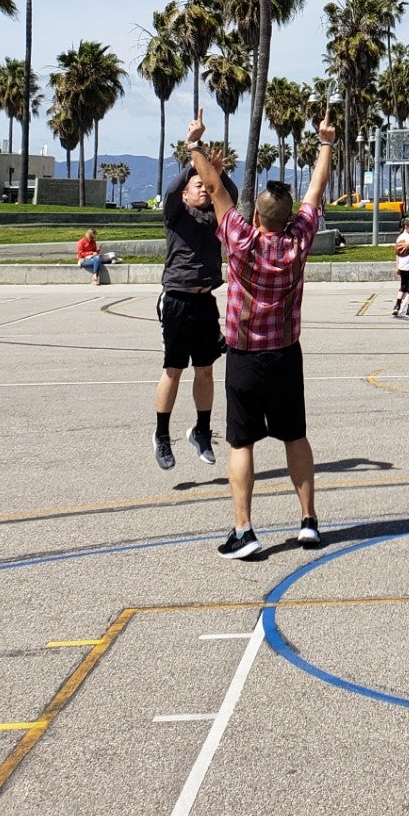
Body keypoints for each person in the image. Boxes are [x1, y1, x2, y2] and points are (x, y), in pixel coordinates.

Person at [187, 106, 333, 560]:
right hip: (286, 354)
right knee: (295, 436)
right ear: (289, 219)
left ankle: (245, 530)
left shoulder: (241, 240)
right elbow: (315, 188)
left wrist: (195, 145)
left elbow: (212, 188)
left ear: (257, 216)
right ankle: (308, 521)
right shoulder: (298, 241)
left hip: (246, 356)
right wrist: (325, 141)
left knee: (240, 441)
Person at [153, 144, 235, 471]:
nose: (203, 187)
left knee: (205, 369)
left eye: (205, 184)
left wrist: (215, 169)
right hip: (176, 298)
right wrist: (193, 160)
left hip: (204, 300)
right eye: (197, 185)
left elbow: (228, 191)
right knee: (174, 369)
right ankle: (161, 435)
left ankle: (201, 430)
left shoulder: (216, 217)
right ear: (186, 194)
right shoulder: (177, 212)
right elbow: (172, 189)